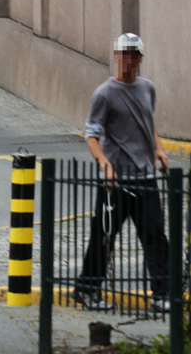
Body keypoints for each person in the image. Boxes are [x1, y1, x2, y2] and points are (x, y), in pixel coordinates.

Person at [73, 32, 171, 313]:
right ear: (117, 56)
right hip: (115, 184)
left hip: (145, 179)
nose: (128, 59)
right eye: (123, 54)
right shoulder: (104, 94)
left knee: (155, 237)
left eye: (133, 54)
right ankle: (87, 290)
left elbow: (148, 122)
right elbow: (91, 134)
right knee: (103, 238)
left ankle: (162, 294)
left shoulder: (148, 88)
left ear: (140, 58)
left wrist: (159, 149)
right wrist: (104, 163)